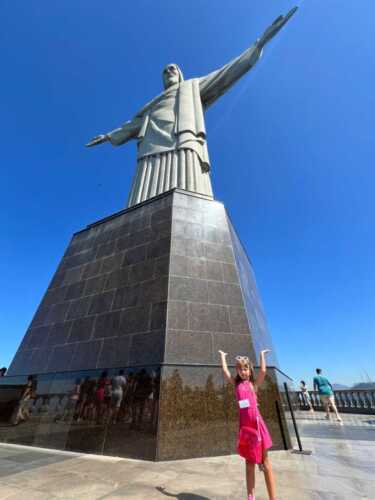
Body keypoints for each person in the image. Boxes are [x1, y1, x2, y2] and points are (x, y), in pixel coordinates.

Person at [86, 8, 297, 208]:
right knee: (144, 189)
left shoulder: (193, 86)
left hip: (182, 136)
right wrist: (108, 136)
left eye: (173, 69)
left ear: (180, 74)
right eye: (165, 71)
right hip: (152, 143)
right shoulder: (150, 106)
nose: (169, 71)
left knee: (188, 183)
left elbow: (226, 73)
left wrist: (258, 44)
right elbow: (133, 125)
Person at [219, 349, 275, 500]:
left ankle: (273, 498)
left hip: (257, 426)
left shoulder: (253, 384)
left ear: (250, 370)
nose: (243, 372)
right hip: (246, 429)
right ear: (237, 371)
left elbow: (263, 371)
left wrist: (262, 355)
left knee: (265, 464)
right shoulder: (236, 384)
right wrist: (223, 357)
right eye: (240, 369)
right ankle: (251, 496)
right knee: (249, 463)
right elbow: (225, 372)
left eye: (246, 369)